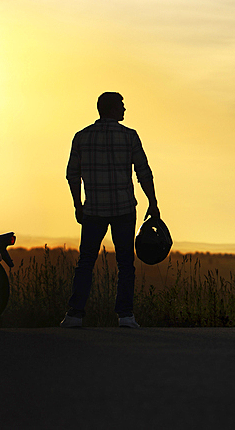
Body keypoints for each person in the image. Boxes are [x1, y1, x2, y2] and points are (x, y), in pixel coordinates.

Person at [61, 91, 159, 328]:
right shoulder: (130, 137)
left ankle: (75, 314)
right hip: (124, 208)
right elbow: (143, 172)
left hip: (93, 209)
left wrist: (78, 205)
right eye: (122, 106)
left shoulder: (81, 137)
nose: (125, 110)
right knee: (125, 263)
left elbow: (72, 174)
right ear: (113, 109)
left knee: (86, 261)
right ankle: (125, 315)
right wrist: (153, 203)